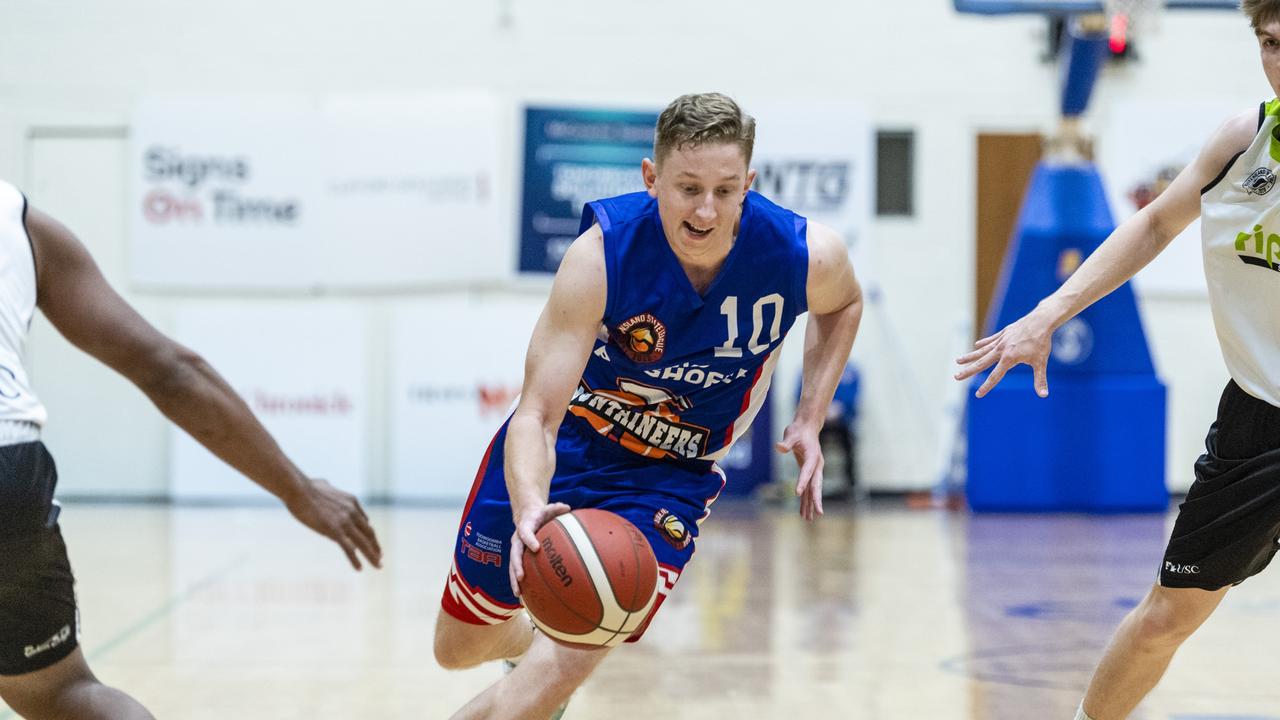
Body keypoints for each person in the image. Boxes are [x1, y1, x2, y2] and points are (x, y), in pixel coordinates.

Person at [432, 92, 863, 719]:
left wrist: (810, 413)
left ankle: (556, 651)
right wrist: (530, 507)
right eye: (687, 188)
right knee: (457, 647)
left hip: (669, 476)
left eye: (724, 189)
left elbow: (844, 303)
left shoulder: (802, 255)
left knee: (578, 646)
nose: (706, 210)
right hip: (572, 443)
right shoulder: (600, 257)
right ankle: (530, 635)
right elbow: (536, 415)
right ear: (651, 178)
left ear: (750, 183)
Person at [955, 4, 1280, 718]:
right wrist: (1047, 313)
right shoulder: (1243, 142)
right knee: (1166, 618)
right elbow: (1156, 222)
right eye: (1270, 45)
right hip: (1262, 419)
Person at [0, 180, 383, 720]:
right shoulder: (16, 217)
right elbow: (170, 371)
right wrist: (296, 489)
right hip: (11, 463)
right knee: (62, 692)